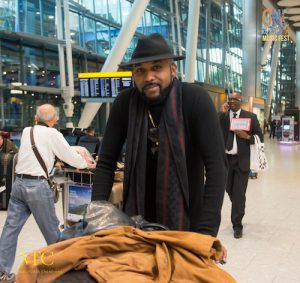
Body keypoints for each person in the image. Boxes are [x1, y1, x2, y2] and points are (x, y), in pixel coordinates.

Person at [92, 34, 227, 240]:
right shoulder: (125, 103)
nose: (149, 77)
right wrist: (97, 218)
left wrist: (206, 233)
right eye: (140, 71)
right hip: (135, 222)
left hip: (188, 222)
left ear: (172, 70)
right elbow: (106, 163)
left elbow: (217, 167)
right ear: (134, 76)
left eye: (156, 68)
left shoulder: (195, 100)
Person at [0, 104, 93, 283]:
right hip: (37, 187)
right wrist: (85, 164)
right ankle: (65, 273)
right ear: (54, 120)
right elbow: (69, 156)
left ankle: (2, 272)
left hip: (18, 184)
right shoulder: (54, 134)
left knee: (10, 230)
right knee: (52, 232)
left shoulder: (28, 131)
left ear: (36, 118)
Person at [219, 92, 263, 239]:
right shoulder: (224, 117)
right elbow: (215, 131)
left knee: (238, 194)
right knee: (229, 190)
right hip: (225, 161)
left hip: (241, 161)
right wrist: (221, 113)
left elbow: (259, 137)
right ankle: (239, 205)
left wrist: (247, 136)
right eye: (229, 99)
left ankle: (237, 225)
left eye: (234, 99)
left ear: (240, 101)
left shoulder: (250, 116)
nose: (231, 101)